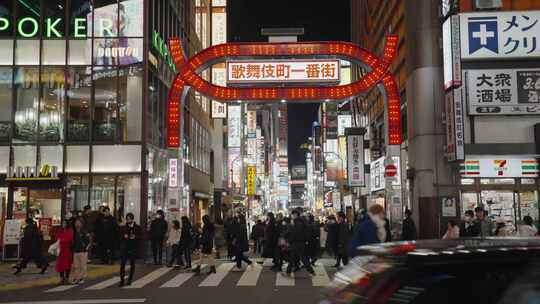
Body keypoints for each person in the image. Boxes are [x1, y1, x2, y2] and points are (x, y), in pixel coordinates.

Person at [285, 210, 314, 275]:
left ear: (295, 214)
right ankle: (288, 271)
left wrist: (289, 240)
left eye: (292, 214)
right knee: (298, 257)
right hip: (301, 242)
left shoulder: (297, 222)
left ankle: (288, 271)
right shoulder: (302, 221)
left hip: (296, 242)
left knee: (297, 258)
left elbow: (295, 233)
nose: (291, 216)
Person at [119, 213, 142, 287]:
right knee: (122, 264)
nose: (128, 220)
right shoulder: (123, 227)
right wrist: (123, 236)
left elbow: (141, 237)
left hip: (133, 248)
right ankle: (122, 280)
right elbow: (119, 237)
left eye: (129, 219)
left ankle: (130, 279)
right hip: (125, 248)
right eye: (127, 219)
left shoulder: (137, 227)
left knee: (132, 264)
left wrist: (135, 236)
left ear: (132, 219)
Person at [72, 218, 91, 284]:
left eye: (78, 222)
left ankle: (81, 278)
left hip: (83, 251)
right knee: (76, 266)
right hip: (75, 251)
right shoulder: (74, 232)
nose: (77, 224)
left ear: (81, 224)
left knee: (83, 266)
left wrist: (86, 248)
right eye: (76, 222)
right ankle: (76, 278)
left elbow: (88, 241)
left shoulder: (84, 231)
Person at [56, 219, 74, 285]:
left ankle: (67, 278)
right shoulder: (60, 230)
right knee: (61, 265)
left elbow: (69, 238)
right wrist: (61, 240)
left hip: (67, 250)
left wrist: (61, 240)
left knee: (67, 265)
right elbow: (58, 237)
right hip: (61, 250)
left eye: (65, 223)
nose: (63, 224)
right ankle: (61, 278)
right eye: (63, 223)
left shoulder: (70, 230)